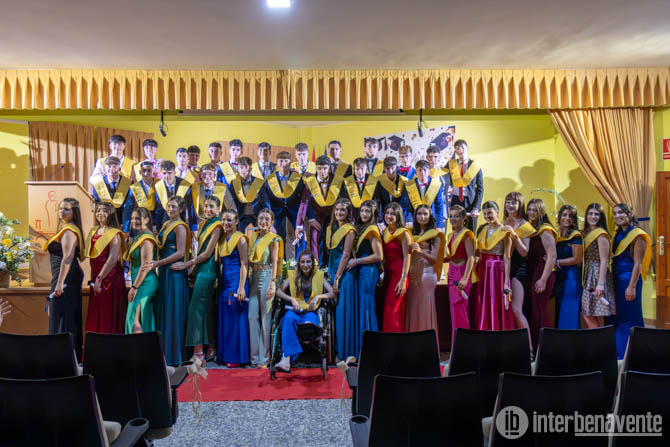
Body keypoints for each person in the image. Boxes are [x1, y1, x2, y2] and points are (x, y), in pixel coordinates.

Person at [179, 196, 223, 365]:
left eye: (212, 206)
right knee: (206, 310)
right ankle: (210, 349)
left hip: (208, 270)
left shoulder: (217, 225)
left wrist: (188, 264)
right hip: (201, 269)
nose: (208, 209)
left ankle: (198, 353)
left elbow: (207, 253)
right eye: (206, 206)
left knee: (196, 310)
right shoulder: (205, 224)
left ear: (218, 209)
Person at [274, 251, 335, 372]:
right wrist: (291, 299)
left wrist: (318, 297)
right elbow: (279, 292)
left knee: (308, 324)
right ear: (299, 263)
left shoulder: (318, 276)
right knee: (288, 318)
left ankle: (292, 353)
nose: (305, 265)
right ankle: (286, 359)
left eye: (308, 262)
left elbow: (332, 293)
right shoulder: (293, 275)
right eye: (302, 262)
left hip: (310, 311)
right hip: (295, 310)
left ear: (312, 263)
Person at [148, 195, 191, 366]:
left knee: (173, 310)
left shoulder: (180, 227)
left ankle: (175, 355)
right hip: (165, 271)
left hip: (174, 272)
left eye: (174, 206)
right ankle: (164, 352)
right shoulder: (166, 224)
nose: (170, 209)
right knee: (165, 309)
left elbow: (180, 252)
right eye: (168, 206)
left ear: (181, 209)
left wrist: (159, 263)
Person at [605, 203, 651, 359]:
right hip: (617, 279)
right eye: (615, 213)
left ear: (629, 214)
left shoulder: (637, 234)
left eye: (621, 213)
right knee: (617, 316)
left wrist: (631, 286)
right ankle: (617, 351)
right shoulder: (618, 233)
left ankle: (630, 354)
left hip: (629, 279)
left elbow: (638, 264)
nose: (617, 216)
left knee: (629, 316)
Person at [42, 198, 85, 360]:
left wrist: (60, 284)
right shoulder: (65, 229)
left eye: (66, 209)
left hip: (65, 278)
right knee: (61, 317)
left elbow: (67, 258)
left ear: (74, 213)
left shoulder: (69, 231)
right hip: (62, 277)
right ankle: (64, 360)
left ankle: (64, 361)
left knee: (63, 318)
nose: (62, 211)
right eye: (60, 208)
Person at [248, 208, 283, 367]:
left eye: (267, 219)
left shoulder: (273, 239)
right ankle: (254, 357)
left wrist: (272, 283)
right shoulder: (253, 237)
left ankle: (264, 358)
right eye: (261, 218)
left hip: (267, 276)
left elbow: (275, 261)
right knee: (252, 316)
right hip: (254, 277)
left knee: (265, 318)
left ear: (271, 223)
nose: (263, 221)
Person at [84, 202, 126, 334]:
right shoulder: (94, 230)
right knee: (96, 310)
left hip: (109, 277)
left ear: (111, 214)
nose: (100, 213)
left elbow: (112, 258)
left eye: (104, 211)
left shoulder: (114, 233)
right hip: (97, 276)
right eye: (98, 210)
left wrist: (100, 278)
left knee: (106, 312)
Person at [346, 199, 382, 352]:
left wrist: (357, 261)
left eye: (368, 211)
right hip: (362, 270)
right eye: (362, 211)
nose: (364, 214)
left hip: (368, 271)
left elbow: (378, 256)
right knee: (363, 307)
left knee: (367, 307)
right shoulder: (362, 228)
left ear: (373, 213)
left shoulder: (372, 230)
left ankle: (370, 349)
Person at [405, 205, 444, 344]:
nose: (422, 217)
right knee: (412, 309)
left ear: (430, 216)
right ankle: (412, 345)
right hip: (412, 274)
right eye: (419, 214)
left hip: (427, 275)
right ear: (415, 216)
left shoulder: (435, 234)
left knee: (425, 309)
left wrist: (421, 252)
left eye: (425, 214)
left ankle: (426, 346)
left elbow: (434, 259)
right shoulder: (410, 232)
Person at [217, 209, 250, 368]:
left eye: (229, 220)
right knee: (227, 318)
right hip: (225, 282)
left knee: (236, 317)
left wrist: (241, 287)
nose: (226, 223)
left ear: (236, 221)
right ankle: (226, 354)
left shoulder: (240, 238)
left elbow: (245, 263)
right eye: (223, 219)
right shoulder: (223, 238)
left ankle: (237, 356)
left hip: (237, 281)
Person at [474, 201, 514, 332]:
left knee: (494, 302)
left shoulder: (505, 231)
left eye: (490, 213)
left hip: (496, 271)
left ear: (497, 213)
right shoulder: (482, 229)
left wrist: (506, 283)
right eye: (485, 214)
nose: (487, 216)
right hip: (482, 268)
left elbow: (507, 257)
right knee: (482, 301)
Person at [325, 198, 357, 359]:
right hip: (333, 270)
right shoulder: (331, 228)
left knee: (344, 313)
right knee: (336, 312)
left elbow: (346, 255)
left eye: (343, 210)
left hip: (344, 274)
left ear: (348, 212)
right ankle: (337, 350)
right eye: (337, 209)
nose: (339, 212)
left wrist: (337, 278)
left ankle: (346, 352)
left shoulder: (349, 230)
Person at [296, 156, 344, 261]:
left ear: (329, 168)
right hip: (316, 215)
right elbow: (304, 203)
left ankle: (332, 265)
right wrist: (300, 225)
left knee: (334, 237)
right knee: (314, 236)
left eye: (325, 168)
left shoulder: (337, 180)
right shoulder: (310, 181)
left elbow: (344, 201)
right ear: (316, 168)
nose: (322, 171)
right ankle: (316, 264)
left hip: (334, 215)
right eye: (319, 168)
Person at [501, 192, 534, 346]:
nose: (510, 205)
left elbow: (524, 252)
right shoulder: (502, 222)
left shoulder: (524, 225)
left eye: (514, 202)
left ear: (520, 205)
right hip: (501, 270)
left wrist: (514, 234)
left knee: (516, 309)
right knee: (504, 310)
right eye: (508, 202)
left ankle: (529, 348)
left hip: (517, 270)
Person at [526, 198, 557, 349]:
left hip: (543, 272)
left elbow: (552, 256)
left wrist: (543, 280)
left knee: (540, 311)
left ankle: (546, 347)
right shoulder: (532, 228)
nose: (531, 213)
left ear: (541, 212)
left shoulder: (545, 229)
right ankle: (538, 346)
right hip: (535, 271)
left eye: (535, 210)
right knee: (535, 310)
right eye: (529, 209)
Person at [263, 151, 306, 259]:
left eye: (286, 161)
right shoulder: (270, 179)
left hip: (294, 209)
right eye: (281, 161)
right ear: (277, 162)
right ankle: (281, 261)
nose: (283, 164)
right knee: (278, 236)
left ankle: (300, 260)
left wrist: (301, 216)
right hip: (277, 210)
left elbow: (302, 198)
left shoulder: (297, 177)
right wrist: (269, 217)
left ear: (290, 162)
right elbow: (267, 200)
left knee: (300, 234)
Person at [581, 203, 616, 329]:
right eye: (590, 213)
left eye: (597, 214)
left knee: (594, 312)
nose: (593, 216)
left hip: (596, 274)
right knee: (589, 310)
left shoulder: (601, 234)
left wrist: (600, 284)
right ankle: (599, 338)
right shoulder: (585, 232)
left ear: (601, 217)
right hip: (586, 272)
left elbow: (604, 260)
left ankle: (599, 339)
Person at [123, 208, 157, 334]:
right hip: (139, 282)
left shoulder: (146, 238)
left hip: (145, 282)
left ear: (146, 220)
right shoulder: (139, 236)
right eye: (132, 218)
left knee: (134, 320)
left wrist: (134, 287)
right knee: (137, 319)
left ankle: (140, 346)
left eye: (137, 218)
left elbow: (145, 266)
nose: (133, 221)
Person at [445, 205, 475, 345]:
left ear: (464, 218)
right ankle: (456, 346)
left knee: (461, 310)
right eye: (451, 216)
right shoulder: (451, 235)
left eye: (457, 216)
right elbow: (451, 257)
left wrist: (465, 278)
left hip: (462, 273)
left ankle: (464, 347)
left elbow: (471, 257)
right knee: (454, 312)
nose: (453, 219)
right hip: (452, 272)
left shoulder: (467, 234)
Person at [381, 202, 412, 332]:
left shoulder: (403, 233)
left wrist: (403, 279)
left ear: (398, 216)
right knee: (388, 310)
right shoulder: (385, 231)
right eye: (387, 213)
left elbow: (407, 256)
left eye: (392, 214)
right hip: (388, 274)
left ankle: (396, 341)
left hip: (399, 275)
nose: (389, 216)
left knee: (393, 309)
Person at [444, 139, 484, 231]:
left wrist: (476, 207)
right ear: (455, 151)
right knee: (456, 230)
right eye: (457, 148)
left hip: (471, 202)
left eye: (462, 147)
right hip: (456, 200)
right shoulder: (451, 164)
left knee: (470, 231)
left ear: (467, 148)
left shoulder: (475, 166)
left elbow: (480, 189)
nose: (460, 150)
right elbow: (442, 176)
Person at [555, 205, 583, 329]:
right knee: (559, 312)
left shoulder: (576, 236)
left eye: (570, 216)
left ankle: (571, 340)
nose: (567, 218)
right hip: (558, 276)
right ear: (559, 216)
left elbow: (577, 259)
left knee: (569, 313)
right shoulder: (556, 235)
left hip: (571, 277)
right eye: (564, 215)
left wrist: (556, 262)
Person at [90, 156, 133, 231]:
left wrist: (126, 228)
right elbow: (98, 206)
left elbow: (128, 208)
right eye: (108, 167)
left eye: (114, 166)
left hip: (121, 223)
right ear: (104, 169)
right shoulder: (98, 184)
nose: (111, 169)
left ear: (119, 168)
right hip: (104, 224)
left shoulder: (128, 183)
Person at [404, 160, 445, 230]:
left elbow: (439, 206)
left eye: (425, 170)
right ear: (416, 172)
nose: (422, 173)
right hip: (414, 220)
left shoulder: (435, 185)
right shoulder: (409, 185)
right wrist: (408, 220)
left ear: (429, 172)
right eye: (420, 170)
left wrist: (439, 225)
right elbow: (406, 205)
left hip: (432, 220)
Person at [230, 156, 266, 232]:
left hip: (256, 217)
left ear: (250, 169)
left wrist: (267, 217)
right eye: (241, 167)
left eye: (246, 167)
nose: (243, 170)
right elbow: (232, 203)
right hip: (241, 217)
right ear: (238, 169)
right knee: (241, 237)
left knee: (257, 236)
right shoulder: (234, 183)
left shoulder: (259, 182)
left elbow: (266, 202)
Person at [188, 163, 227, 232]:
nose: (207, 176)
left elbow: (231, 207)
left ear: (214, 175)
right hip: (199, 223)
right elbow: (191, 209)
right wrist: (193, 227)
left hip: (217, 222)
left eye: (210, 174)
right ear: (200, 175)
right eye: (204, 173)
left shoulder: (222, 188)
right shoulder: (194, 188)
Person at [153, 160, 191, 230]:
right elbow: (159, 208)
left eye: (169, 173)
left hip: (181, 220)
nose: (167, 176)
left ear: (175, 172)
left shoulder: (185, 185)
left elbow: (189, 207)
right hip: (165, 221)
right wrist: (158, 227)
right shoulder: (158, 186)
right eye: (164, 173)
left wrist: (192, 226)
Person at [373, 156, 409, 226]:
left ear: (397, 167)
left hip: (399, 214)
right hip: (384, 215)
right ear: (384, 168)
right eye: (388, 168)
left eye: (393, 168)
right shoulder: (379, 180)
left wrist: (403, 218)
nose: (390, 171)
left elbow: (404, 202)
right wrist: (380, 220)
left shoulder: (403, 180)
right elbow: (378, 201)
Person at [128, 161, 157, 229]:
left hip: (156, 219)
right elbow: (129, 208)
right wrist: (127, 228)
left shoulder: (159, 183)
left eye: (149, 170)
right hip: (140, 219)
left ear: (153, 171)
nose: (146, 173)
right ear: (140, 172)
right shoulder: (135, 187)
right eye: (144, 171)